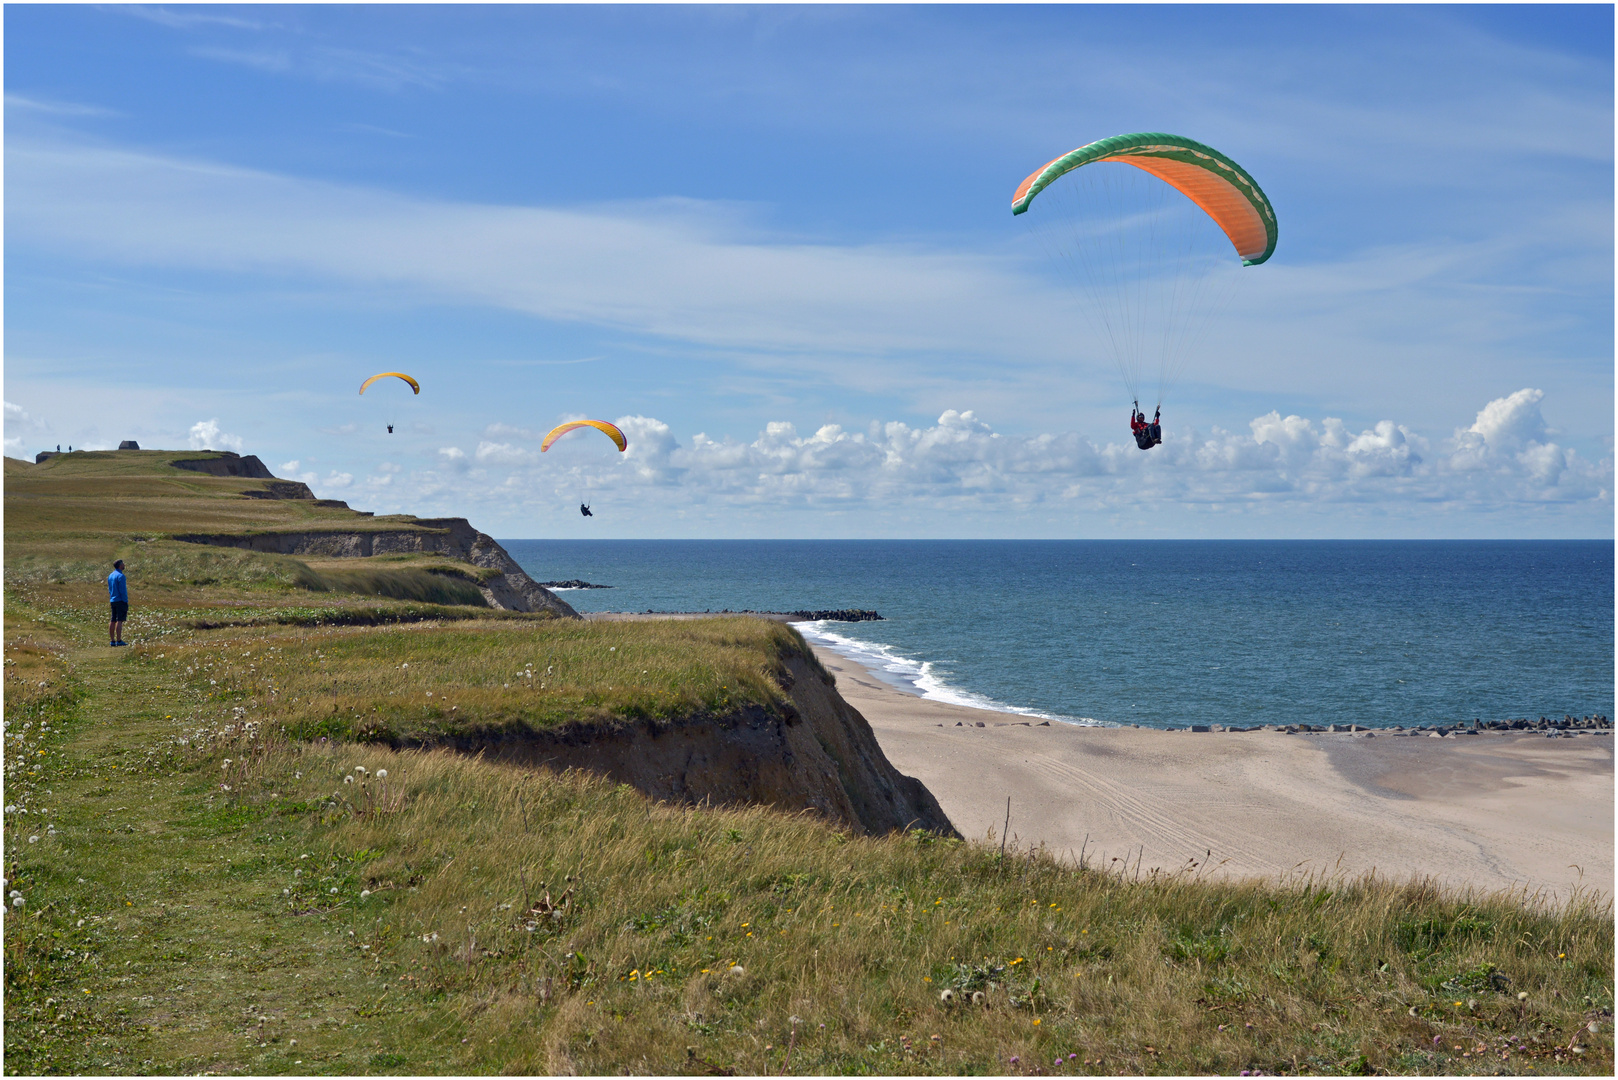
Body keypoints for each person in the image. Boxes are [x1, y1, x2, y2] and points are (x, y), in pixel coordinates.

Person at [108, 559, 129, 647]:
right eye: (123, 564)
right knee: (119, 620)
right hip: (120, 600)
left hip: (113, 599)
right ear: (120, 565)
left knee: (113, 620)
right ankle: (119, 640)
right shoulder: (121, 576)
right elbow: (122, 590)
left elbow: (110, 589)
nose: (124, 565)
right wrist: (125, 600)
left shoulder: (110, 575)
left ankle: (112, 640)